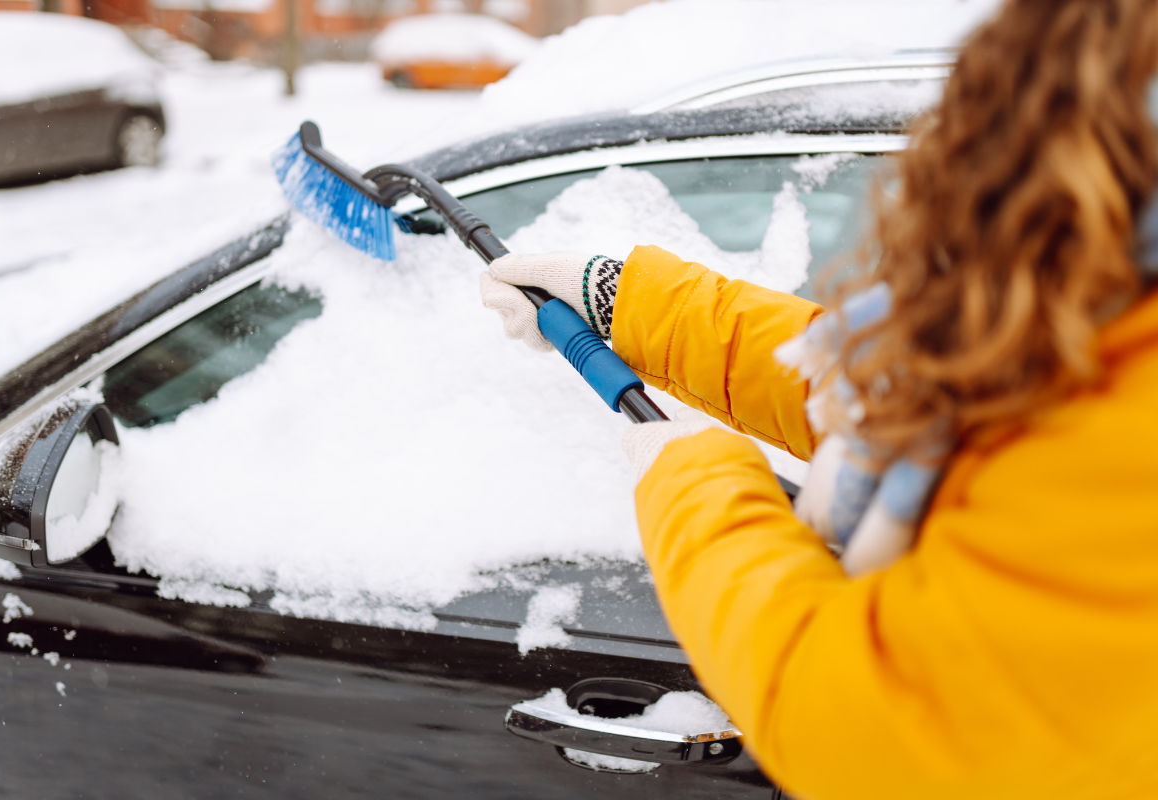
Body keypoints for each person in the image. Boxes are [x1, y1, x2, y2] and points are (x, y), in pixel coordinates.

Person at [479, 1, 1158, 798]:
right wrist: (634, 306)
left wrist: (694, 481)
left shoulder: (1124, 449)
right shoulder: (1100, 351)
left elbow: (859, 725)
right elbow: (922, 385)